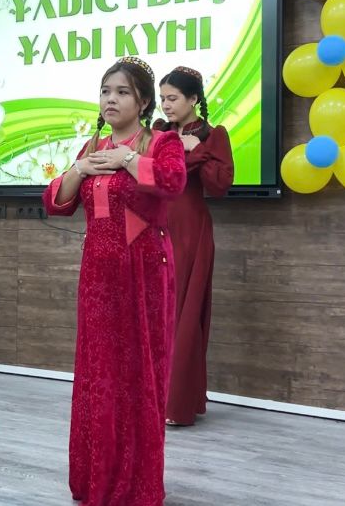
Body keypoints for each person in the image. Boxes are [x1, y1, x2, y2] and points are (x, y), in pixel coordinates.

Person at [42, 57, 186, 506]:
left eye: (122, 92)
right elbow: (56, 202)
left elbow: (173, 182)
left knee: (137, 374)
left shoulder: (161, 142)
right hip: (97, 277)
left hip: (143, 273)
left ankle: (136, 484)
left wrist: (127, 159)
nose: (110, 99)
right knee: (98, 374)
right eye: (106, 91)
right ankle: (97, 479)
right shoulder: (92, 146)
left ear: (142, 102)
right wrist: (80, 169)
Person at [155, 66, 234, 426]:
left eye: (172, 98)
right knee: (154, 312)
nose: (166, 105)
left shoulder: (213, 135)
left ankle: (176, 405)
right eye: (162, 98)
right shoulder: (157, 132)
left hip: (189, 230)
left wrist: (199, 150)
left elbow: (220, 186)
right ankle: (150, 401)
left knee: (183, 315)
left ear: (193, 99)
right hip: (155, 225)